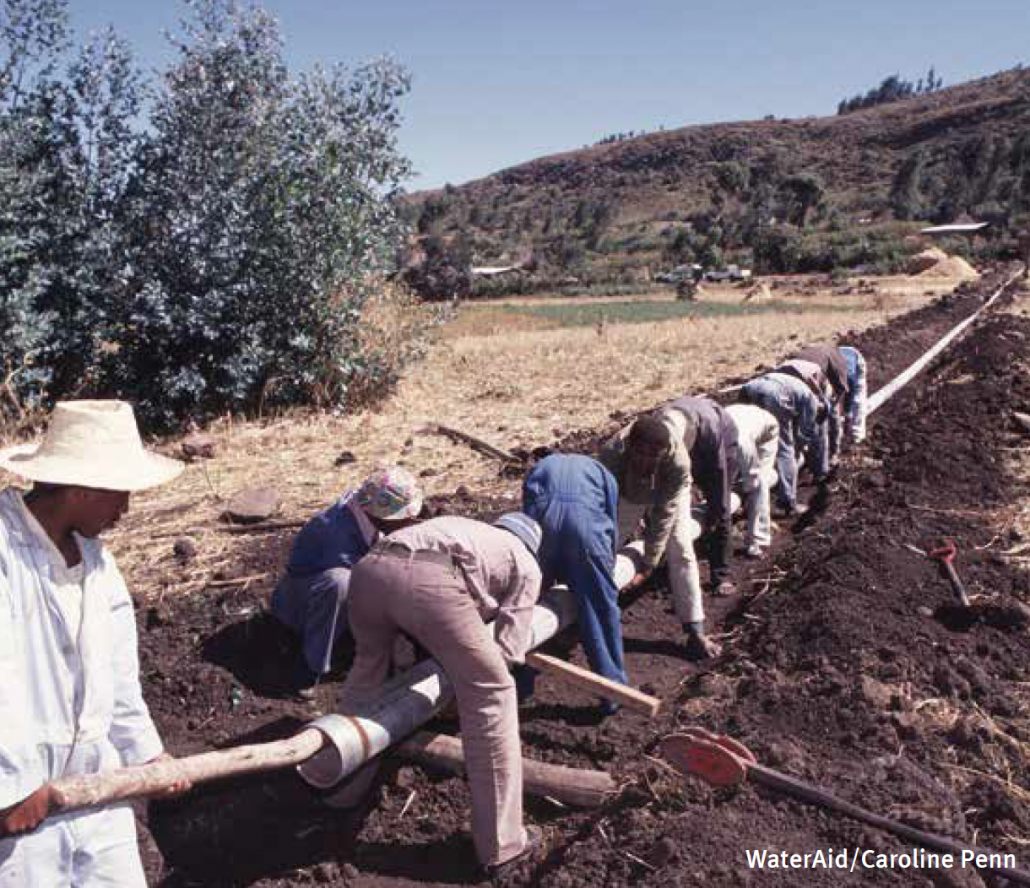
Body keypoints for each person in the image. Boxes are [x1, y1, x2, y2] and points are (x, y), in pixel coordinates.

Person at [0, 400, 189, 887]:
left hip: (99, 789)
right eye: (119, 494)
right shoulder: (4, 554)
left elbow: (119, 679)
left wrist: (147, 755)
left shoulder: (99, 565)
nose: (125, 509)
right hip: (23, 799)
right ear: (82, 490)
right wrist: (10, 787)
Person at [336, 513, 546, 875]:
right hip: (428, 578)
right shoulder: (526, 562)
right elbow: (509, 653)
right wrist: (464, 686)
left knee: (368, 671)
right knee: (493, 691)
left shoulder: (464, 528)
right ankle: (503, 845)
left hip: (370, 568)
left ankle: (335, 783)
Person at [270, 467, 423, 698]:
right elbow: (370, 580)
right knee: (341, 583)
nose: (407, 522)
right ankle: (309, 666)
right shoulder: (336, 532)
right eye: (401, 518)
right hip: (301, 605)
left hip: (337, 598)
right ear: (380, 515)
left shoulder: (367, 508)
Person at [599, 415, 720, 660]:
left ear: (664, 453)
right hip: (626, 488)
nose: (646, 460)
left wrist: (649, 563)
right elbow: (602, 504)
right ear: (629, 447)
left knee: (681, 548)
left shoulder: (678, 463)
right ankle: (579, 611)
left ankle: (695, 630)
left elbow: (664, 514)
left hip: (670, 487)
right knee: (605, 541)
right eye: (640, 453)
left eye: (653, 455)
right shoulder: (612, 454)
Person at [522, 454, 626, 714]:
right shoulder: (604, 473)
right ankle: (612, 690)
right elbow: (610, 522)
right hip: (586, 531)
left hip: (540, 527)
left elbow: (526, 514)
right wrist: (605, 570)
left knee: (527, 602)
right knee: (599, 610)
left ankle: (519, 680)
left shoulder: (540, 467)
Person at [656, 395, 741, 597]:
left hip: (723, 446)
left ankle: (722, 573)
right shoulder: (660, 422)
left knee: (720, 508)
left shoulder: (710, 429)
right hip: (689, 445)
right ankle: (668, 560)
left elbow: (718, 470)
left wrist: (717, 502)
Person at [740, 369, 825, 517]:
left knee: (748, 439)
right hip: (773, 395)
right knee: (785, 449)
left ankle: (744, 491)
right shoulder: (812, 402)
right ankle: (788, 503)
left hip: (750, 387)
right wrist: (799, 451)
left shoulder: (800, 389)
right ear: (821, 410)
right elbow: (802, 435)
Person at [725, 403, 780, 559]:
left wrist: (745, 488)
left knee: (759, 483)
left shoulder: (742, 443)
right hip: (740, 417)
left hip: (766, 430)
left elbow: (753, 479)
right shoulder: (709, 435)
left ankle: (758, 540)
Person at [839, 345, 868, 444]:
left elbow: (851, 391)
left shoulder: (848, 376)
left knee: (858, 400)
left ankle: (857, 436)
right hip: (837, 356)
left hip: (855, 358)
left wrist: (848, 414)